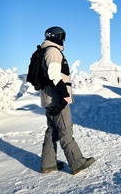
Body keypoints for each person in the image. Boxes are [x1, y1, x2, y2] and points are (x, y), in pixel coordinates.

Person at [40, 26, 95, 175]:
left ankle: (48, 164)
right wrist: (65, 94)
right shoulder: (53, 51)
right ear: (56, 36)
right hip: (56, 98)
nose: (63, 39)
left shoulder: (45, 50)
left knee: (52, 130)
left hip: (48, 97)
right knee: (65, 131)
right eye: (62, 36)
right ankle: (77, 163)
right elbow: (54, 75)